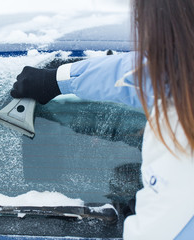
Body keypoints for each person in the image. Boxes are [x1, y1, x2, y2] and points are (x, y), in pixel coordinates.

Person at [10, 0, 194, 239]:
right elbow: (142, 73)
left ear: (169, 24)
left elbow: (168, 224)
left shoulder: (181, 126)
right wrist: (58, 79)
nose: (138, 25)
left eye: (142, 18)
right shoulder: (179, 79)